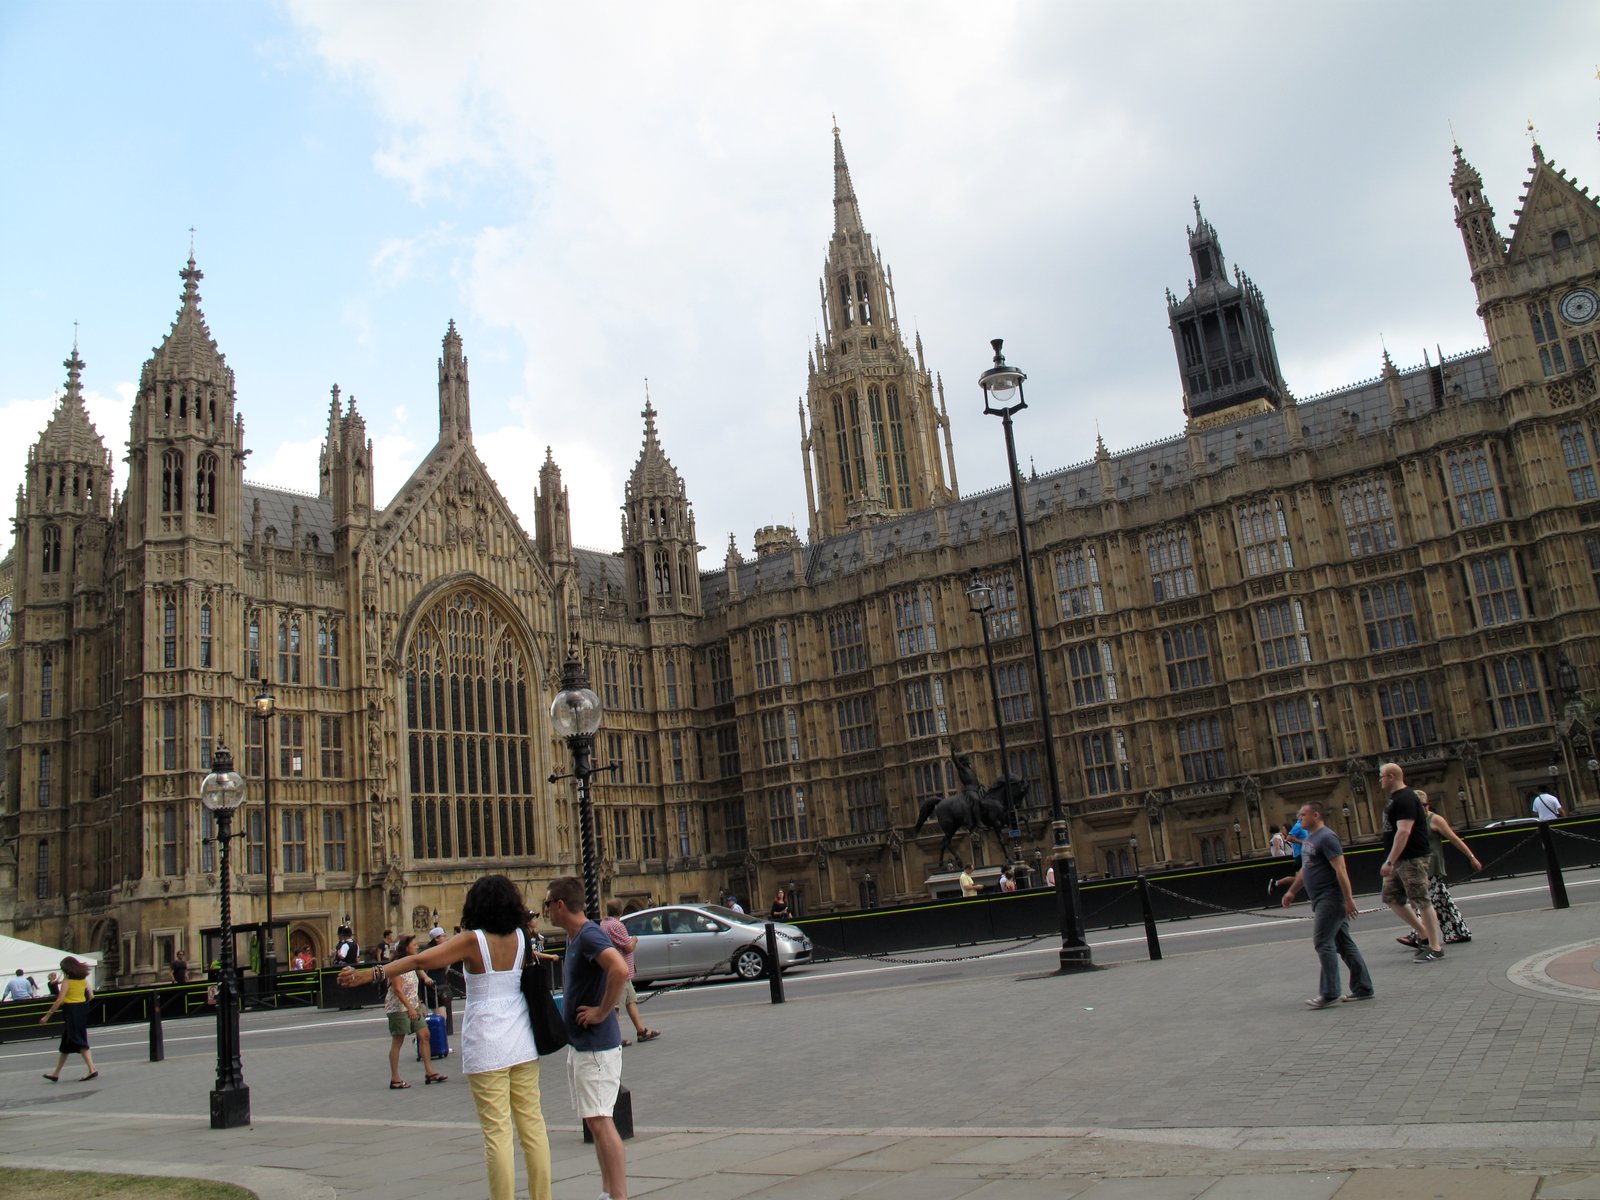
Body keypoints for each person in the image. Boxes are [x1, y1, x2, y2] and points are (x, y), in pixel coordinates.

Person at [341, 876, 550, 1200]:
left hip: (488, 1040)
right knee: (533, 1128)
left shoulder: (472, 940)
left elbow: (421, 960)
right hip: (522, 1038)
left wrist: (373, 972)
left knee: (497, 1133)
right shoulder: (522, 937)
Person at [546, 875, 629, 1200]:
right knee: (597, 1123)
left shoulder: (589, 935)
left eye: (548, 904)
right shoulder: (575, 936)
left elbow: (619, 970)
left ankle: (618, 1195)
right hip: (585, 1045)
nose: (546, 911)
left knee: (602, 1122)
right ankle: (608, 1192)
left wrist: (600, 1011)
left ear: (560, 905)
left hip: (596, 1046)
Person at [1281, 801, 1372, 1008]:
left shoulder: (1327, 837)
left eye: (1303, 815)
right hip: (1320, 898)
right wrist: (1292, 891)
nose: (1299, 818)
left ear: (1316, 815)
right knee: (1343, 944)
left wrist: (1348, 899)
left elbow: (1341, 869)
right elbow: (1305, 870)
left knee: (1322, 942)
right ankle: (1363, 987)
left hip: (1330, 897)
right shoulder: (1310, 840)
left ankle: (1330, 992)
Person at [1395, 790, 1481, 947]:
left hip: (1431, 867)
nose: (1424, 808)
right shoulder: (1411, 821)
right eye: (1419, 806)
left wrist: (1471, 857)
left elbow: (1454, 839)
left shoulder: (1434, 820)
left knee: (1424, 902)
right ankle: (1458, 931)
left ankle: (1418, 935)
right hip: (1417, 866)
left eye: (1425, 805)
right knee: (1441, 901)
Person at [1377, 762, 1444, 962]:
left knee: (1421, 900)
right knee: (1390, 897)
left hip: (1411, 857)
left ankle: (1435, 946)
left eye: (1381, 776)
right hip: (1400, 859)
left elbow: (1404, 831)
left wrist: (1390, 861)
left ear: (1390, 776)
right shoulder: (1395, 799)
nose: (1379, 780)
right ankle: (1423, 933)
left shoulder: (1405, 798)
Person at [375, 934, 445, 1089]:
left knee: (424, 1034)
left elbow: (412, 988)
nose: (417, 946)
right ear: (406, 947)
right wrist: (411, 1008)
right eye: (414, 944)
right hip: (398, 1008)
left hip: (412, 1005)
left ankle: (430, 1071)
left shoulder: (411, 964)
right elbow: (398, 990)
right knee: (398, 1041)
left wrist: (418, 1003)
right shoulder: (396, 965)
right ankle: (395, 1078)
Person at [600, 900, 660, 1047]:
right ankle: (613, 1038)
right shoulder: (617, 925)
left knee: (630, 1001)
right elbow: (628, 947)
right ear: (621, 910)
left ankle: (641, 1030)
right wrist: (634, 939)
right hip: (620, 971)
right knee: (615, 1007)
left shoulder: (604, 923)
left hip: (622, 972)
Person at [39, 956, 98, 1081]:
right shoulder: (82, 979)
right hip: (81, 1009)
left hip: (71, 1010)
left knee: (78, 1039)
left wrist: (47, 1015)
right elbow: (91, 995)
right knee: (66, 1044)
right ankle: (55, 1073)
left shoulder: (67, 981)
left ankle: (92, 1069)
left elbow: (60, 1000)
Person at [1267, 816, 1307, 898]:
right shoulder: (1298, 826)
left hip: (1304, 855)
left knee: (1299, 878)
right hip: (1301, 856)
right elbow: (1289, 838)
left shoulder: (1305, 826)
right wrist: (1303, 842)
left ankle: (1276, 883)